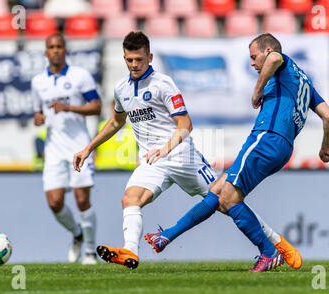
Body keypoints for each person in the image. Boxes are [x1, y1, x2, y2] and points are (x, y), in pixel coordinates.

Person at [73, 31, 293, 271]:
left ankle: (276, 243)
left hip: (181, 156)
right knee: (130, 199)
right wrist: (87, 148)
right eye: (129, 60)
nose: (134, 65)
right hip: (151, 161)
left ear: (150, 57)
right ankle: (130, 252)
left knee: (226, 200)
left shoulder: (163, 84)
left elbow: (185, 124)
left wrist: (165, 148)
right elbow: (116, 122)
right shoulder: (121, 89)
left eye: (139, 59)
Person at [145, 33, 329, 272]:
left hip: (267, 137)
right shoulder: (304, 82)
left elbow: (275, 58)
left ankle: (268, 252)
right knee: (216, 190)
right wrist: (326, 147)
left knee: (228, 199)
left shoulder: (280, 61)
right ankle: (167, 237)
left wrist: (257, 91)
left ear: (266, 52)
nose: (253, 63)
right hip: (282, 146)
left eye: (254, 57)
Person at [31, 33, 102, 264]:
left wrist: (69, 107)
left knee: (82, 200)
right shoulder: (38, 82)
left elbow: (96, 106)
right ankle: (78, 234)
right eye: (51, 47)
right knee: (54, 202)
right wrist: (39, 118)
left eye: (59, 46)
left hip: (78, 146)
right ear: (46, 52)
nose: (55, 50)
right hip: (53, 148)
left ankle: (91, 252)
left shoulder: (80, 76)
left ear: (65, 50)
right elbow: (38, 112)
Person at [94, 100, 138, 171]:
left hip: (128, 171)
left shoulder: (133, 129)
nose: (117, 111)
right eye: (115, 108)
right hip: (103, 171)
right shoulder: (102, 127)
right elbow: (94, 151)